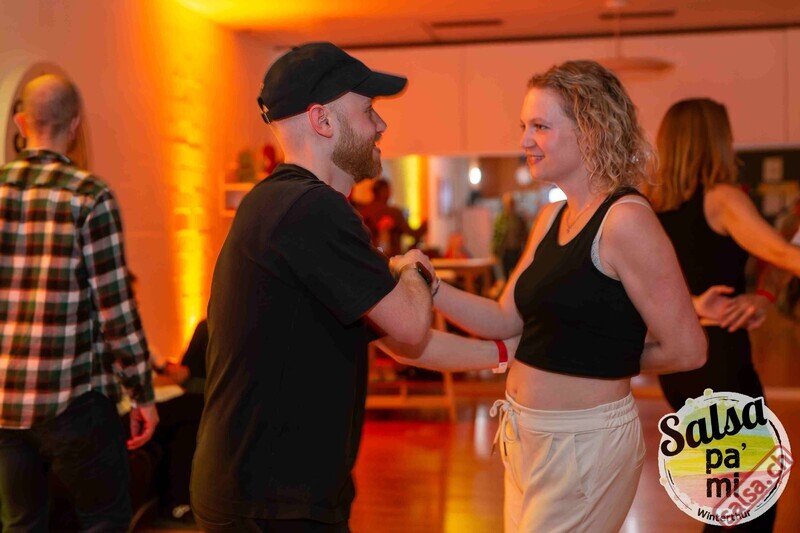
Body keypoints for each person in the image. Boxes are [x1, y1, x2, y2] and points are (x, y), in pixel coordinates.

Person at [411, 61, 708, 532]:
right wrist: (432, 287)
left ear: (590, 131)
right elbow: (503, 319)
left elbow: (688, 349)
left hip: (585, 443)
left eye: (540, 127)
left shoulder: (626, 221)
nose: (525, 141)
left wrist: (602, 357)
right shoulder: (551, 218)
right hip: (524, 434)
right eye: (524, 127)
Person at [189, 42, 439, 532]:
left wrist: (504, 352)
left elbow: (396, 336)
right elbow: (411, 325)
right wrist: (412, 268)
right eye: (368, 111)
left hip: (267, 492)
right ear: (322, 120)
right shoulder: (311, 210)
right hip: (269, 502)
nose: (381, 125)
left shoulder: (286, 204)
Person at [0, 74, 158, 531]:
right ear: (74, 126)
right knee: (102, 521)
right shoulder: (88, 196)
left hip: (5, 404)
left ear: (21, 122)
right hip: (74, 400)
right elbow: (115, 309)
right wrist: (141, 393)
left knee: (20, 525)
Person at [648, 98, 800, 532]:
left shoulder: (652, 207)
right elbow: (780, 253)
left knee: (727, 500)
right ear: (715, 139)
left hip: (679, 365)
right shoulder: (721, 198)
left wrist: (762, 297)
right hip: (718, 361)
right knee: (749, 505)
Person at [357, 177, 427, 257]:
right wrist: (425, 224)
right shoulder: (394, 213)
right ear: (385, 191)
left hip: (368, 257)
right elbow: (413, 233)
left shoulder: (362, 211)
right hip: (392, 259)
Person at [492, 192, 528, 278]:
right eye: (507, 203)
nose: (509, 205)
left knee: (518, 273)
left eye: (511, 203)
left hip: (517, 250)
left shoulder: (519, 218)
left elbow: (525, 234)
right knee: (506, 274)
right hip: (505, 251)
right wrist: (494, 251)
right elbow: (496, 236)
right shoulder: (500, 219)